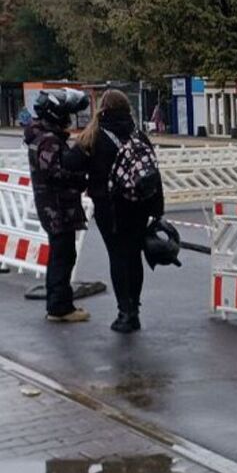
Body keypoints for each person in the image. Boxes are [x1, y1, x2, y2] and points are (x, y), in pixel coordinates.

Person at [66, 90, 164, 333]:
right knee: (134, 256)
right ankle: (135, 309)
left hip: (109, 208)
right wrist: (157, 209)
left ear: (103, 109)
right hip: (139, 206)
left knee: (118, 256)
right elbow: (153, 173)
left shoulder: (94, 136)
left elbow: (70, 163)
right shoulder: (138, 135)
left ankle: (125, 312)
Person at [24, 89, 90, 323]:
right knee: (62, 256)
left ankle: (59, 304)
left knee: (61, 254)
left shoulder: (42, 136)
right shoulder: (49, 140)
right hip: (57, 208)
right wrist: (79, 177)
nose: (68, 120)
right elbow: (54, 173)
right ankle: (60, 308)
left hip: (53, 206)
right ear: (55, 114)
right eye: (66, 115)